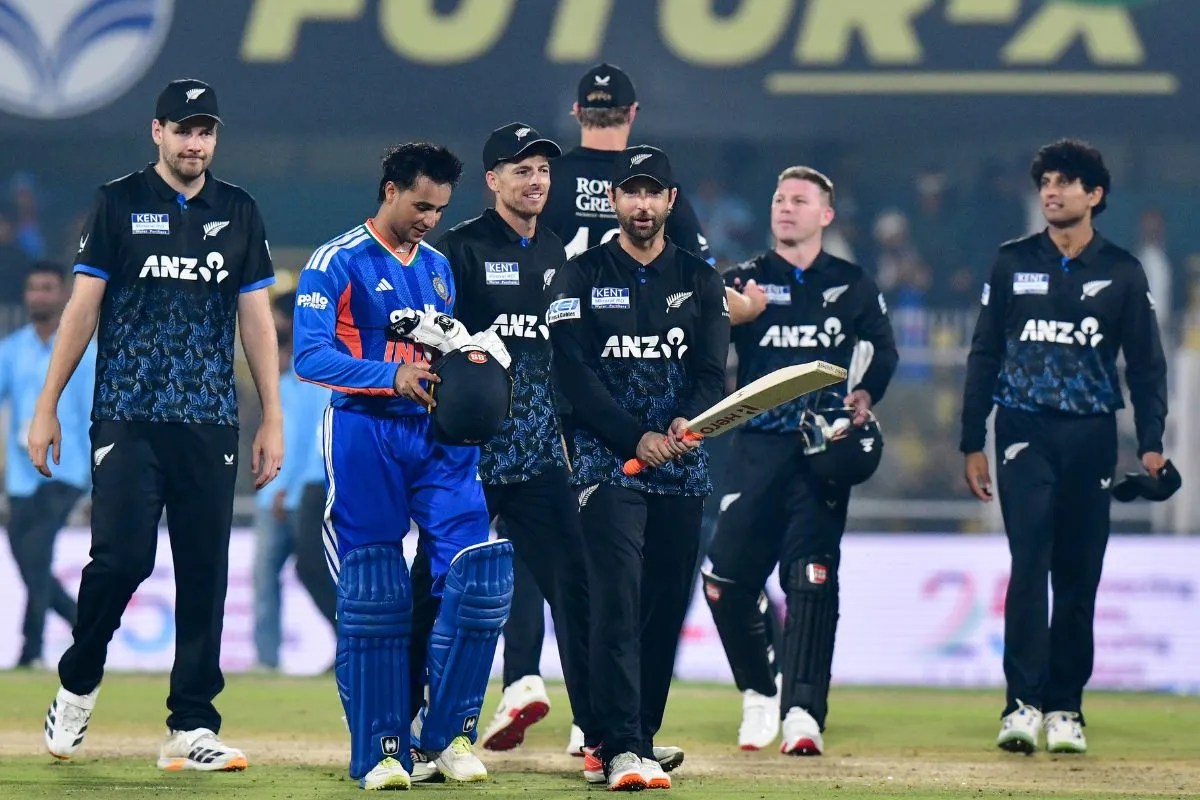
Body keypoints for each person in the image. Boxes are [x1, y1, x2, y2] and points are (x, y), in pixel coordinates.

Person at [31, 78, 283, 771]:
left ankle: (191, 725)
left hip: (209, 420)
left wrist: (272, 416)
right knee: (122, 561)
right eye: (183, 130)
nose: (195, 143)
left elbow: (257, 320)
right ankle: (78, 681)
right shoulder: (117, 202)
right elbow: (82, 309)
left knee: (205, 572)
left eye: (205, 131)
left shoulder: (239, 209)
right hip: (128, 416)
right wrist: (48, 403)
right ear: (157, 132)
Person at [292, 142, 515, 790]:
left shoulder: (440, 268)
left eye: (440, 209)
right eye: (421, 206)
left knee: (478, 577)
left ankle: (447, 736)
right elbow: (309, 357)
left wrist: (472, 364)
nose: (429, 220)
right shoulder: (335, 261)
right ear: (389, 190)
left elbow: (442, 351)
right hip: (365, 432)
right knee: (377, 593)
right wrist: (392, 376)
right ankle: (380, 750)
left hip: (437, 437)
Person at [961, 139, 1169, 755]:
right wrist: (972, 439)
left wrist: (1152, 444)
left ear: (1094, 195)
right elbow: (984, 353)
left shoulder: (1123, 270)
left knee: (1078, 575)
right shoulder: (1011, 262)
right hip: (1023, 431)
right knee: (1030, 562)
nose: (1051, 192)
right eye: (1045, 182)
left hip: (1091, 436)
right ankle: (1022, 705)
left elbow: (1147, 367)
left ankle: (1065, 708)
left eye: (1065, 182)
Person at [406, 123, 594, 767]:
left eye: (542, 169)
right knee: (435, 592)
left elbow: (566, 357)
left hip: (539, 458)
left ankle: (600, 734)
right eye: (520, 170)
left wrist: (571, 435)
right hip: (467, 457)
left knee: (575, 585)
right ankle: (411, 727)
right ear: (492, 180)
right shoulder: (457, 250)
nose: (535, 180)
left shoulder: (559, 253)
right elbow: (422, 339)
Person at [548, 145, 728, 791]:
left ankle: (635, 739)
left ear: (670, 201)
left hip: (681, 459)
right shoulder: (578, 275)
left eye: (654, 193)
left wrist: (684, 423)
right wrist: (635, 435)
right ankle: (620, 744)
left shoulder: (701, 279)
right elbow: (573, 375)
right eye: (632, 193)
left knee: (663, 605)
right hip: (608, 458)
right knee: (617, 596)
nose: (643, 205)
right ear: (615, 200)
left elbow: (711, 373)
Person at [703, 166, 898, 756]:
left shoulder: (852, 283)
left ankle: (804, 713)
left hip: (819, 452)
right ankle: (760, 691)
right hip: (755, 447)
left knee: (811, 579)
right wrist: (735, 315)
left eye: (799, 200)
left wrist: (866, 394)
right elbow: (703, 352)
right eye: (779, 199)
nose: (786, 208)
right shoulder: (743, 281)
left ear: (826, 215)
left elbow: (883, 350)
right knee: (724, 582)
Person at [0, 262, 96, 669]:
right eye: (33, 288)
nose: (38, 295)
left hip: (66, 470)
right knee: (29, 559)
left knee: (36, 552)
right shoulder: (11, 349)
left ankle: (32, 649)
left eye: (47, 288)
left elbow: (96, 416)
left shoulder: (84, 350)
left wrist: (96, 483)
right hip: (22, 476)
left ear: (63, 295)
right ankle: (84, 626)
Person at [251, 291, 335, 671]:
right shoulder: (281, 374)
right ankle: (266, 661)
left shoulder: (315, 373)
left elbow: (310, 440)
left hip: (300, 493)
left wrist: (289, 487)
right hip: (275, 492)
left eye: (277, 317)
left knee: (311, 569)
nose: (273, 324)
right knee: (265, 580)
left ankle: (351, 642)